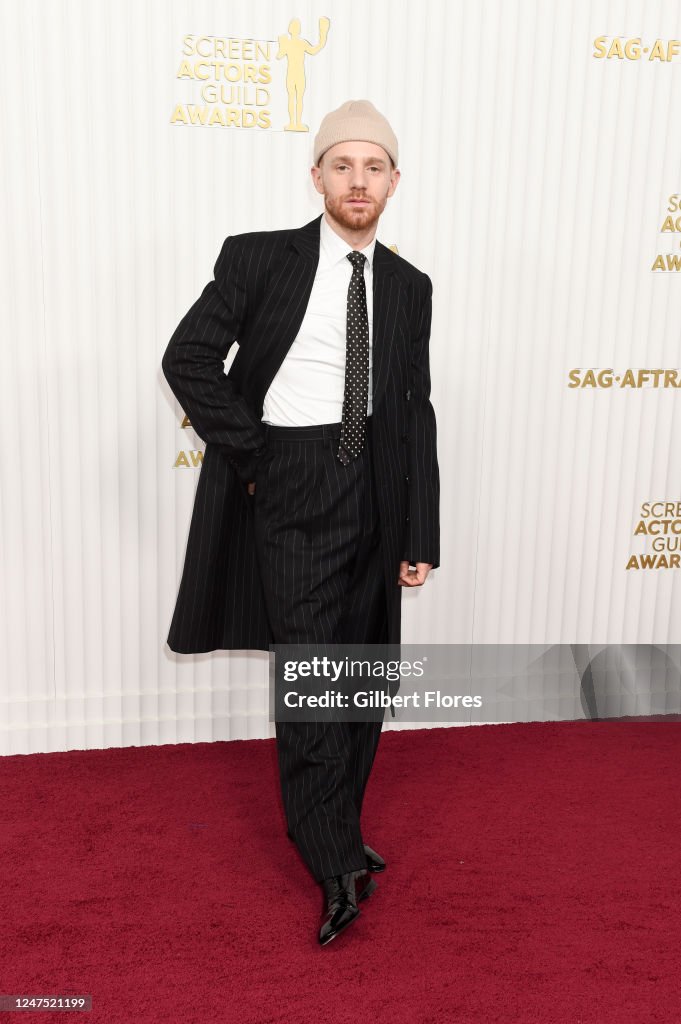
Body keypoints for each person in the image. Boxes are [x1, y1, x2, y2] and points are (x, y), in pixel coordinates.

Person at [162, 99, 440, 945]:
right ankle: (332, 860)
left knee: (360, 679)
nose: (358, 181)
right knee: (314, 677)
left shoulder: (409, 286)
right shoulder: (258, 258)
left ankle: (337, 825)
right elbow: (187, 357)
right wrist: (259, 455)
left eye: (373, 167)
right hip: (292, 477)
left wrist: (419, 530)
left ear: (394, 181)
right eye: (342, 165)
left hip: (377, 492)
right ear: (315, 175)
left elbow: (413, 410)